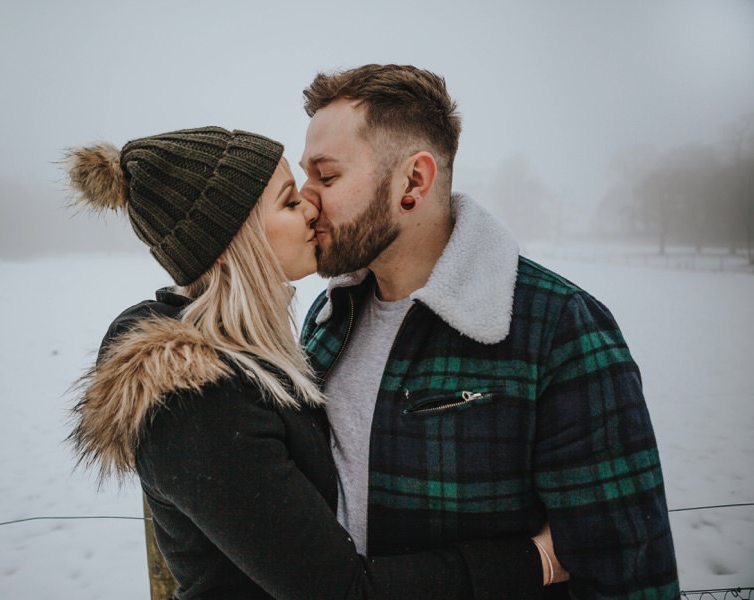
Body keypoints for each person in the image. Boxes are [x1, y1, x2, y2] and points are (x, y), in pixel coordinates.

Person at [65, 126, 563, 599]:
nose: (310, 208)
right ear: (228, 246)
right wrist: (534, 561)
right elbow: (343, 592)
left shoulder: (250, 354)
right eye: (287, 200)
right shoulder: (196, 403)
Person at [297, 64, 680, 599]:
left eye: (327, 176)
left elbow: (626, 570)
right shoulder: (328, 319)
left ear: (412, 182)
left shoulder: (558, 329)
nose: (305, 197)